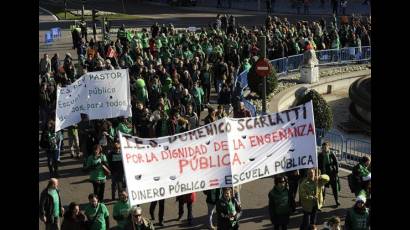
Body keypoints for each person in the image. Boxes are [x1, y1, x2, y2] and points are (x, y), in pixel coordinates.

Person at [318, 142, 340, 206]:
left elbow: (336, 162)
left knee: (334, 188)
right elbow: (319, 165)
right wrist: (319, 173)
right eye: (323, 148)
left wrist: (337, 171)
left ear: (328, 147)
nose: (324, 149)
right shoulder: (320, 155)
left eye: (325, 147)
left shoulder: (331, 153)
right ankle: (323, 200)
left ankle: (337, 200)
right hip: (323, 174)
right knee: (323, 189)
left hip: (332, 173)